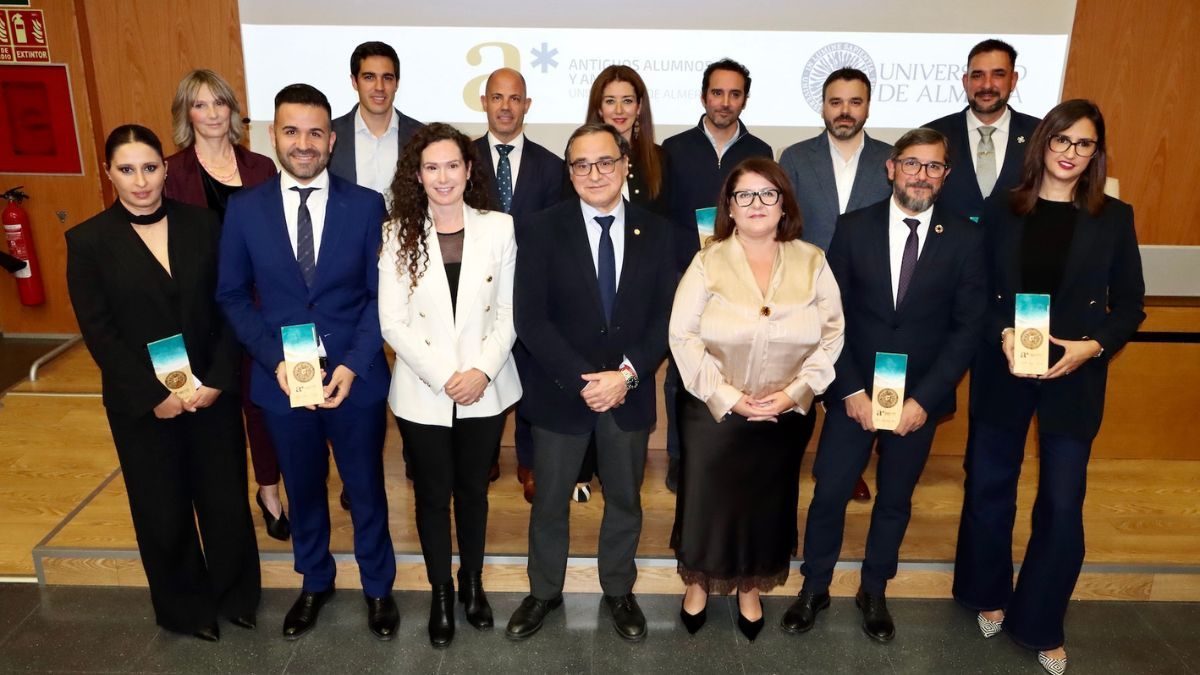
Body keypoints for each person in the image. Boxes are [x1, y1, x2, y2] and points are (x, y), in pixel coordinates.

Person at [953, 100, 1145, 675]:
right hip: (1004, 369)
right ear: (1043, 145)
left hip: (1073, 377)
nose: (1070, 154)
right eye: (1061, 141)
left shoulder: (1114, 216)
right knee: (990, 488)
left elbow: (1131, 305)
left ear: (1095, 153)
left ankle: (1041, 620)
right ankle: (986, 591)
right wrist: (1005, 334)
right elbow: (978, 295)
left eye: (1083, 145)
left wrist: (1092, 347)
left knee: (1062, 504)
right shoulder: (1004, 209)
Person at [785, 128, 986, 643]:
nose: (922, 175)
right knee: (829, 491)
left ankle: (874, 589)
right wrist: (848, 391)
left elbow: (967, 327)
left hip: (918, 400)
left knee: (895, 498)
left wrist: (926, 399)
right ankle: (815, 586)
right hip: (855, 393)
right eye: (912, 164)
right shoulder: (854, 229)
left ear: (945, 175)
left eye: (933, 167)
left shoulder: (965, 236)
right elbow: (830, 316)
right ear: (891, 168)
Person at [217, 84, 398, 641]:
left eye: (315, 132)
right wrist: (273, 361)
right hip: (281, 382)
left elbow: (380, 296)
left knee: (366, 487)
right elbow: (231, 295)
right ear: (273, 136)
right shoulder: (245, 210)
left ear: (332, 139)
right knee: (302, 486)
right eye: (291, 131)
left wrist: (351, 364)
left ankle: (377, 588)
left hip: (355, 377)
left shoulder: (367, 204)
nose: (303, 143)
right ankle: (315, 580)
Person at [66, 124, 260, 641]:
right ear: (109, 173)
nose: (140, 181)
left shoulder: (205, 225)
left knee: (224, 500)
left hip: (211, 394)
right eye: (126, 170)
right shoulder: (87, 242)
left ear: (166, 169)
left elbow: (230, 305)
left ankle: (236, 596)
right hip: (144, 405)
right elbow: (100, 333)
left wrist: (218, 379)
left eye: (149, 168)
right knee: (161, 506)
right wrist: (156, 396)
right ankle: (184, 608)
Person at [505, 123, 675, 643]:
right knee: (550, 501)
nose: (594, 173)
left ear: (626, 164)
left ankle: (619, 590)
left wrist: (623, 377)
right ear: (569, 171)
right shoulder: (539, 228)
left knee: (624, 499)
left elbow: (667, 320)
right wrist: (586, 381)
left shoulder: (662, 232)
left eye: (605, 162)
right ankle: (543, 592)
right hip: (562, 394)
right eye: (581, 165)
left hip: (628, 394)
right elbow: (529, 319)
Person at [669, 157, 844, 641]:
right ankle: (699, 584)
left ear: (784, 203)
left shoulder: (812, 260)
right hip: (713, 409)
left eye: (768, 194)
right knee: (708, 503)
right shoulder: (707, 260)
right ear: (730, 205)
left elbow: (832, 335)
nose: (756, 204)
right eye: (744, 195)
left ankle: (750, 586)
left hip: (784, 412)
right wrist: (729, 397)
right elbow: (682, 337)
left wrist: (793, 395)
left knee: (767, 503)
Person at [379, 123, 521, 648]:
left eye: (453, 166)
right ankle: (441, 590)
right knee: (433, 496)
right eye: (432, 167)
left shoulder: (499, 228)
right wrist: (446, 377)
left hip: (487, 385)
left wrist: (480, 371)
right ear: (417, 175)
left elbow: (509, 312)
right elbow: (392, 322)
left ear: (468, 170)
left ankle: (473, 584)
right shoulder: (398, 232)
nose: (444, 177)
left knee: (474, 494)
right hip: (424, 390)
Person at [163, 69, 288, 540]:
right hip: (200, 310)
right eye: (200, 104)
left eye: (220, 103)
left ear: (234, 111)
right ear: (186, 113)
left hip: (257, 306)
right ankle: (222, 503)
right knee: (216, 409)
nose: (212, 113)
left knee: (262, 402)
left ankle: (270, 489)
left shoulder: (261, 168)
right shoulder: (171, 173)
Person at [779, 66, 893, 503]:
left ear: (867, 105)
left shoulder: (891, 157)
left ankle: (850, 464)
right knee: (813, 375)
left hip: (871, 292)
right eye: (836, 102)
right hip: (807, 289)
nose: (845, 111)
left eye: (855, 102)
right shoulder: (795, 156)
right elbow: (787, 222)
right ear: (823, 105)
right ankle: (814, 463)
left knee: (858, 371)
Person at [661, 58, 773, 490]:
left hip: (743, 284)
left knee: (733, 373)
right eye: (717, 93)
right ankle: (678, 456)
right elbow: (664, 218)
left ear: (745, 98)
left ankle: (728, 452)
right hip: (684, 279)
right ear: (703, 95)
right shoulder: (673, 149)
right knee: (682, 374)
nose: (725, 102)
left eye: (735, 94)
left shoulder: (760, 152)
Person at [567, 64, 672, 500]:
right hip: (589, 296)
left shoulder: (660, 160)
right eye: (609, 100)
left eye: (628, 100)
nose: (619, 109)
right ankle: (582, 469)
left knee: (625, 375)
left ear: (640, 107)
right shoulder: (577, 159)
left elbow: (672, 227)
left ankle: (619, 469)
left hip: (640, 298)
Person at [473, 67, 564, 502]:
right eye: (497, 97)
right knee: (481, 370)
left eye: (514, 98)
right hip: (477, 291)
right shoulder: (462, 159)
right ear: (484, 102)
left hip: (533, 290)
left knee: (530, 377)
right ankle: (485, 455)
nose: (505, 106)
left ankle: (528, 461)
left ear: (527, 105)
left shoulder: (553, 166)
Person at [924, 39, 1040, 223]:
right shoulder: (932, 134)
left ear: (1013, 80)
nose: (987, 85)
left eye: (998, 75)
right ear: (965, 81)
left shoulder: (1039, 134)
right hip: (949, 248)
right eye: (977, 75)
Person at [330, 41, 424, 196]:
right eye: (369, 77)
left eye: (387, 78)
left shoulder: (422, 136)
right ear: (354, 82)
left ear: (397, 83)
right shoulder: (330, 134)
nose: (379, 87)